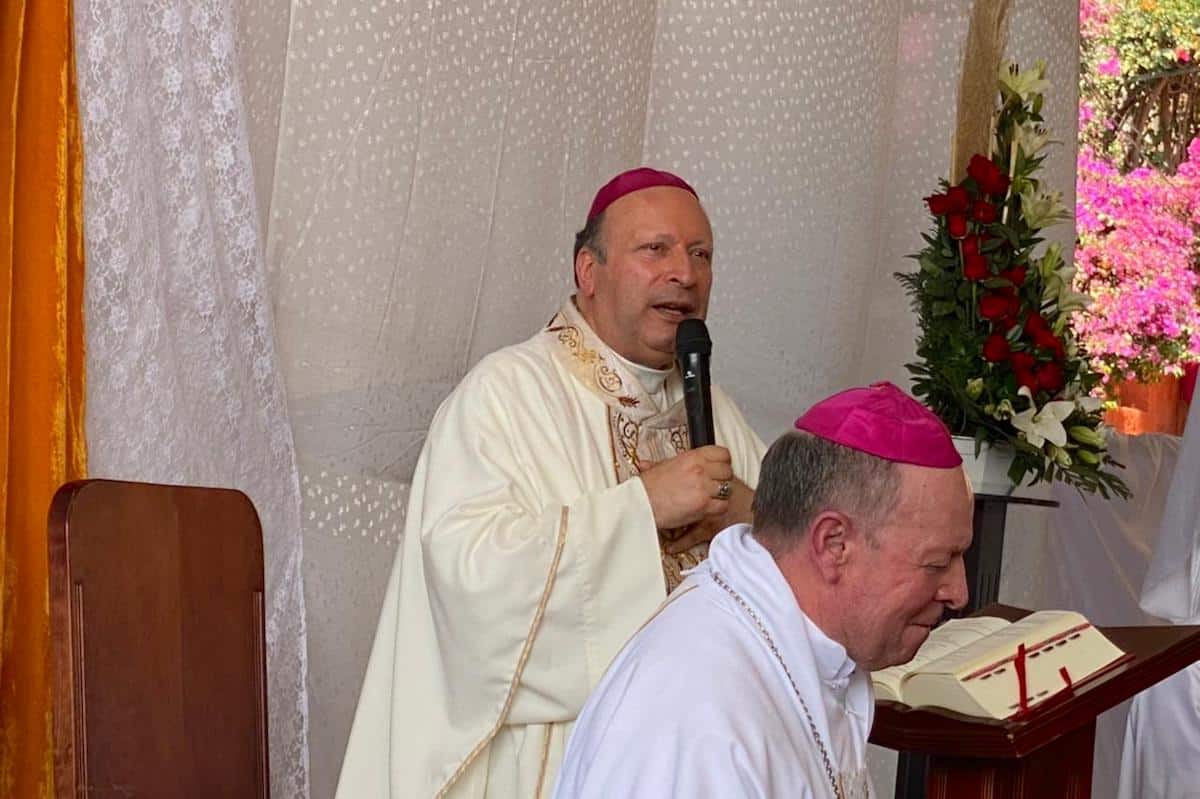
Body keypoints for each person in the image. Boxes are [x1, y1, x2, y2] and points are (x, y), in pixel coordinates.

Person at [335, 167, 767, 798]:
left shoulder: (715, 409)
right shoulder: (506, 393)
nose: (686, 273)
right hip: (555, 764)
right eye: (657, 249)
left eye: (701, 254)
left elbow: (791, 575)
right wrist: (643, 508)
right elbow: (469, 585)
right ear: (587, 272)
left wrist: (750, 512)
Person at [553, 382, 974, 799]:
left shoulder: (808, 655)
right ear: (833, 545)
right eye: (937, 563)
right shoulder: (697, 714)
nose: (959, 593)